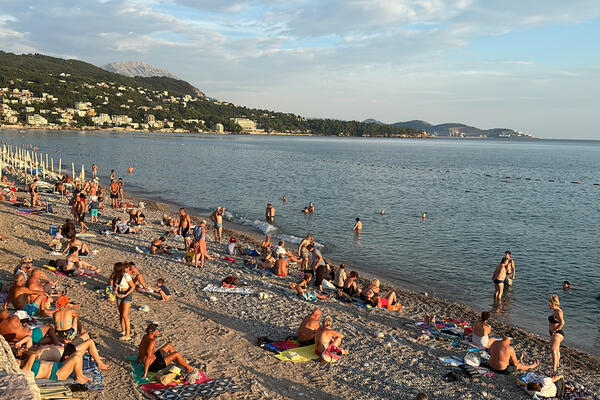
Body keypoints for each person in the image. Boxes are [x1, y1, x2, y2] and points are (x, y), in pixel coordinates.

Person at [27, 335, 111, 370]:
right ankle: (100, 364)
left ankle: (94, 355)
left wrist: (20, 346)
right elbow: (31, 356)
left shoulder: (30, 349)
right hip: (66, 356)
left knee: (85, 335)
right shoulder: (32, 356)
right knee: (90, 342)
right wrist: (23, 351)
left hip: (66, 349)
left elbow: (28, 338)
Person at [20, 349, 90, 383]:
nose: (16, 360)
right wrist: (23, 351)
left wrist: (23, 352)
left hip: (59, 366)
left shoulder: (26, 361)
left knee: (78, 353)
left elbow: (35, 354)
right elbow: (33, 355)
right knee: (76, 358)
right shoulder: (25, 369)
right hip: (57, 374)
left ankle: (80, 374)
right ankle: (79, 377)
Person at [110, 263, 135, 341]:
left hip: (127, 294)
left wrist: (125, 295)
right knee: (121, 314)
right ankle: (123, 331)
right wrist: (115, 291)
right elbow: (115, 285)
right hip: (119, 294)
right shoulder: (117, 275)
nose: (113, 270)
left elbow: (133, 287)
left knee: (125, 315)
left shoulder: (126, 276)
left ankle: (128, 335)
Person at [548, 294, 565, 372]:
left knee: (553, 350)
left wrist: (555, 330)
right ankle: (557, 364)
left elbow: (562, 323)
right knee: (555, 350)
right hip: (554, 333)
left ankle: (554, 368)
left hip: (557, 333)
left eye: (550, 303)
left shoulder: (559, 312)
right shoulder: (555, 311)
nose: (549, 305)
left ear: (553, 303)